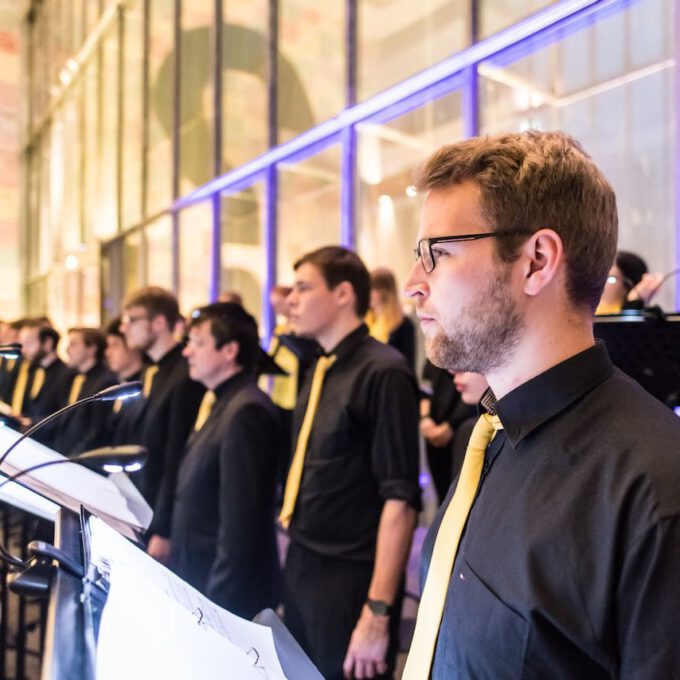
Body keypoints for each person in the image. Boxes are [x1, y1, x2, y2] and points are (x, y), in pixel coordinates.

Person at [400, 130, 680, 679]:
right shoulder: (490, 436)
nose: (414, 284)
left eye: (439, 253)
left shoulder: (653, 493)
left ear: (536, 261)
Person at [282, 246, 421, 680]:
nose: (290, 301)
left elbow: (401, 499)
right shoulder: (318, 367)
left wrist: (378, 612)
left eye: (304, 288)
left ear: (343, 294)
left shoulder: (384, 371)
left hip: (351, 577)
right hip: (303, 560)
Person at [170, 302, 285, 618]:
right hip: (202, 577)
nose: (187, 352)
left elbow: (240, 526)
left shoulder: (247, 410)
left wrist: (214, 606)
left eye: (198, 343)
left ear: (230, 350)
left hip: (225, 593)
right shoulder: (226, 401)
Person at [119, 287, 205, 562]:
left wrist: (163, 529)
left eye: (132, 319)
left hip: (160, 515)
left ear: (158, 323)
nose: (124, 327)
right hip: (140, 505)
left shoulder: (185, 374)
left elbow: (175, 456)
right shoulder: (152, 369)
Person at [52, 328, 118, 456]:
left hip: (81, 461)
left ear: (91, 348)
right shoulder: (74, 377)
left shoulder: (105, 381)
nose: (67, 350)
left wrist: (73, 458)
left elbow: (97, 431)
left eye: (74, 344)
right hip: (62, 453)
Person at [420, 360, 475, 504]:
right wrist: (426, 420)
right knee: (445, 496)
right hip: (435, 429)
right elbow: (425, 391)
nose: (452, 372)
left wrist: (451, 425)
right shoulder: (434, 359)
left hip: (462, 425)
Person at [23, 325, 75, 446]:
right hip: (31, 440)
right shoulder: (33, 370)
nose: (24, 350)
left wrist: (31, 422)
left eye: (30, 343)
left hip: (50, 444)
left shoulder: (67, 374)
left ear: (47, 343)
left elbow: (64, 415)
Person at [367, 267, 416, 371]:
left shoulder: (403, 324)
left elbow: (409, 365)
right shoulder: (366, 321)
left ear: (383, 291)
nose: (367, 294)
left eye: (371, 289)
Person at [595, 250, 663, 314]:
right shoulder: (590, 312)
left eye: (610, 278)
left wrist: (634, 300)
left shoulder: (646, 316)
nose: (600, 283)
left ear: (628, 285)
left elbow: (624, 325)